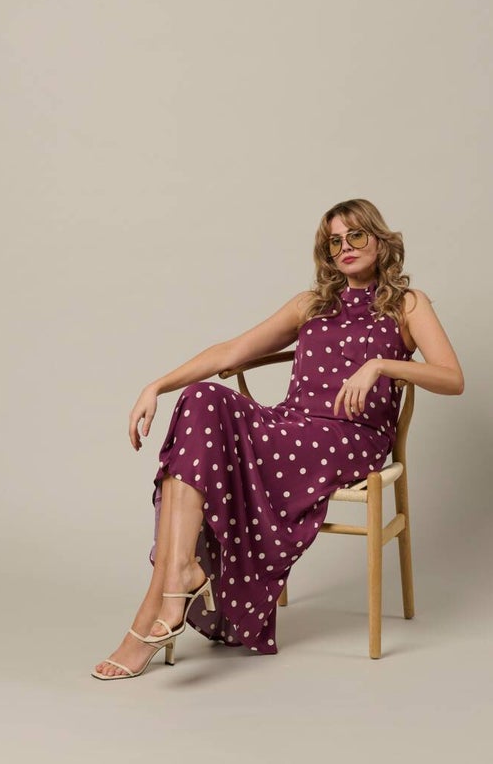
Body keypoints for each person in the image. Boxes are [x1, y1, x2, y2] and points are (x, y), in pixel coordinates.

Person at [92, 198, 464, 679]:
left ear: (379, 239)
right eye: (334, 241)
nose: (345, 248)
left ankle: (157, 608)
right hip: (292, 426)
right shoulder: (311, 304)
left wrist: (382, 366)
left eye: (355, 235)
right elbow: (232, 351)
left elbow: (452, 378)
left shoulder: (407, 304)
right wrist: (157, 386)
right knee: (201, 397)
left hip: (350, 438)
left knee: (207, 444)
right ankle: (180, 573)